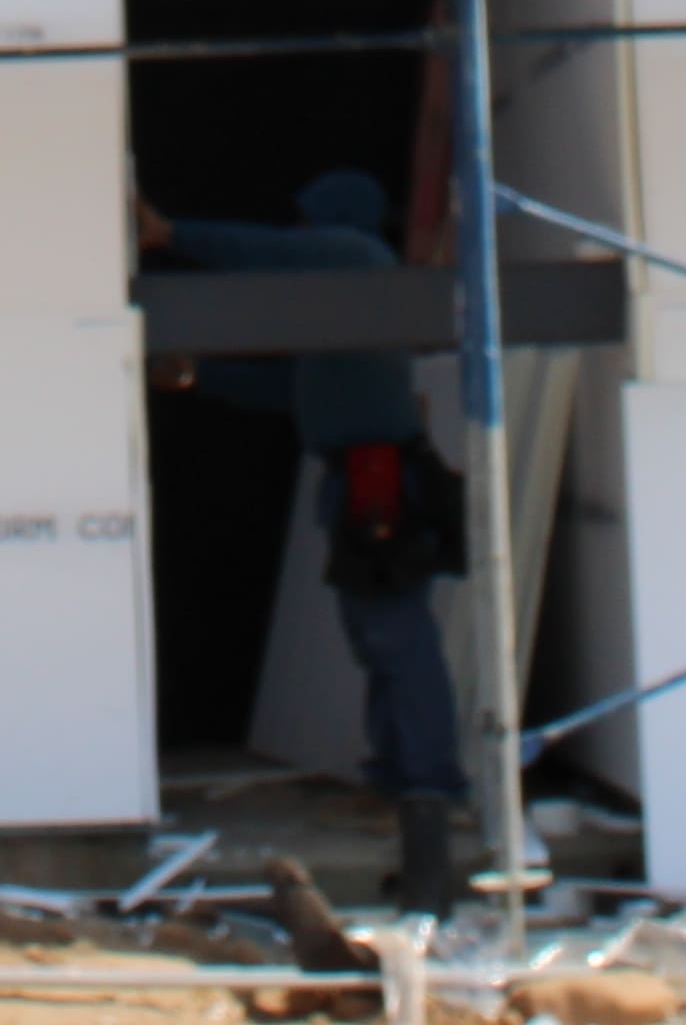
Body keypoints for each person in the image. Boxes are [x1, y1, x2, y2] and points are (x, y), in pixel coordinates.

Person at [140, 168, 472, 909]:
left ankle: (428, 788)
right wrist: (199, 377)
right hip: (361, 481)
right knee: (380, 639)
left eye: (306, 223)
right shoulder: (341, 308)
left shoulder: (354, 259)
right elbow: (292, 391)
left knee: (397, 639)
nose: (298, 235)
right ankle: (397, 779)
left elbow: (267, 256)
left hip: (379, 481)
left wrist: (172, 235)